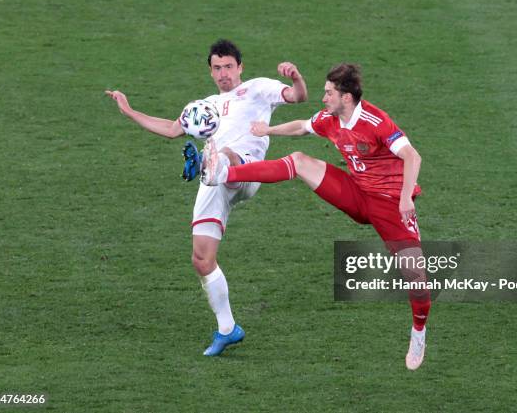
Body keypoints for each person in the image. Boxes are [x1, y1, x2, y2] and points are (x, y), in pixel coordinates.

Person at [201, 63, 431, 370]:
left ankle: (418, 333)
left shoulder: (376, 121)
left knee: (417, 278)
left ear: (346, 97)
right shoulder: (330, 119)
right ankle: (224, 172)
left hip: (390, 205)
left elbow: (412, 156)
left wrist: (405, 200)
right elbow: (300, 126)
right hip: (356, 194)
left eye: (328, 93)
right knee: (298, 160)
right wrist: (268, 130)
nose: (323, 98)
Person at [105, 39, 308, 356]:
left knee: (223, 153)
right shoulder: (205, 105)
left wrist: (295, 76)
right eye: (218, 68)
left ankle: (206, 162)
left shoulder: (257, 89)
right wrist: (130, 112)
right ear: (211, 71)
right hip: (214, 183)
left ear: (240, 67)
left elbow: (298, 97)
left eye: (229, 66)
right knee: (201, 259)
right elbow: (173, 129)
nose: (224, 73)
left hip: (246, 170)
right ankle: (228, 329)